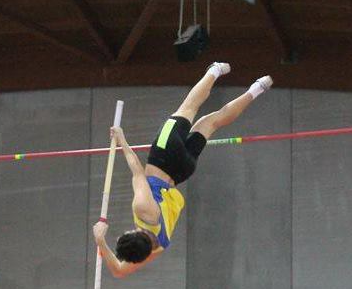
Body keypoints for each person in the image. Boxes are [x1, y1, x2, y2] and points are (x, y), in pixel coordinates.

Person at [93, 62, 272, 278]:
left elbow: (120, 271)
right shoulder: (143, 210)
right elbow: (137, 172)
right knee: (188, 108)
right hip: (164, 156)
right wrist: (122, 139)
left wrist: (101, 243)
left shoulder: (157, 248)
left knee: (211, 122)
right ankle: (214, 70)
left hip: (183, 171)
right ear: (132, 231)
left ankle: (259, 87)